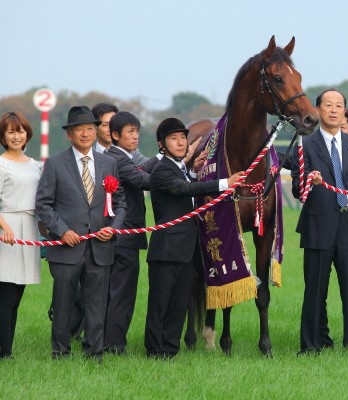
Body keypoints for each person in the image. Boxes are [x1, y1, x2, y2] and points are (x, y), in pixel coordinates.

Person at [144, 117, 242, 359]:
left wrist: (192, 171)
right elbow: (185, 190)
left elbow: (188, 183)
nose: (180, 143)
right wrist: (224, 183)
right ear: (161, 145)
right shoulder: (162, 171)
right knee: (160, 303)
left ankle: (170, 349)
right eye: (173, 139)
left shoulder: (181, 170)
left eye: (182, 138)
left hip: (187, 249)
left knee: (179, 303)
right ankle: (154, 350)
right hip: (166, 250)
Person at [36, 105, 126, 361]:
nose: (85, 133)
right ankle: (60, 351)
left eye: (90, 128)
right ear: (69, 134)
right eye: (79, 129)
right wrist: (62, 231)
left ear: (96, 131)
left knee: (96, 303)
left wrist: (114, 227)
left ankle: (94, 353)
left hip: (100, 247)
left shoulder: (109, 163)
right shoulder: (54, 163)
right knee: (63, 303)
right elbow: (43, 205)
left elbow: (120, 202)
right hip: (66, 249)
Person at [292, 89, 348, 354]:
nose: (334, 110)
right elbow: (296, 188)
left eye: (339, 106)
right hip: (318, 224)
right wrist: (308, 181)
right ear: (318, 110)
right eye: (329, 105)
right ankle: (311, 345)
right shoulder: (305, 145)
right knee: (315, 289)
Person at [104, 111, 150, 355]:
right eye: (130, 132)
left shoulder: (117, 157)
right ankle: (114, 346)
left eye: (137, 132)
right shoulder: (118, 159)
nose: (135, 137)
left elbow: (141, 168)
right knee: (122, 294)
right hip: (124, 236)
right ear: (114, 135)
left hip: (117, 237)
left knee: (112, 292)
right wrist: (172, 174)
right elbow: (142, 179)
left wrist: (165, 159)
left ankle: (106, 341)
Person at [0, 111, 42, 359]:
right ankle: (4, 353)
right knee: (5, 295)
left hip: (30, 229)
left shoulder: (34, 164)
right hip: (8, 232)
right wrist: (4, 227)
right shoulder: (1, 163)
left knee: (17, 295)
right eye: (11, 131)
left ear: (27, 133)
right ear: (4, 136)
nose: (17, 136)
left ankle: (7, 348)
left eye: (21, 130)